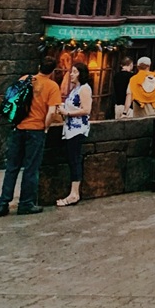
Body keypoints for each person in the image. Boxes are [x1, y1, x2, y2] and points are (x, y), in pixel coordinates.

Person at [0, 58, 63, 216]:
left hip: (19, 128)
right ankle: (26, 203)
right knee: (31, 168)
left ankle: (3, 202)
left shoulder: (25, 79)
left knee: (12, 167)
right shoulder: (52, 86)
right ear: (52, 71)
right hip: (35, 130)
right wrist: (45, 127)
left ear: (39, 67)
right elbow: (51, 112)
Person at [56, 61, 92, 206]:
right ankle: (73, 192)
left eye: (75, 72)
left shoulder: (84, 89)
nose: (71, 74)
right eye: (72, 71)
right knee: (72, 159)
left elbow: (86, 109)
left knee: (75, 159)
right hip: (70, 129)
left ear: (81, 74)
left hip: (78, 129)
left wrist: (67, 113)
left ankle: (74, 194)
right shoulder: (75, 89)